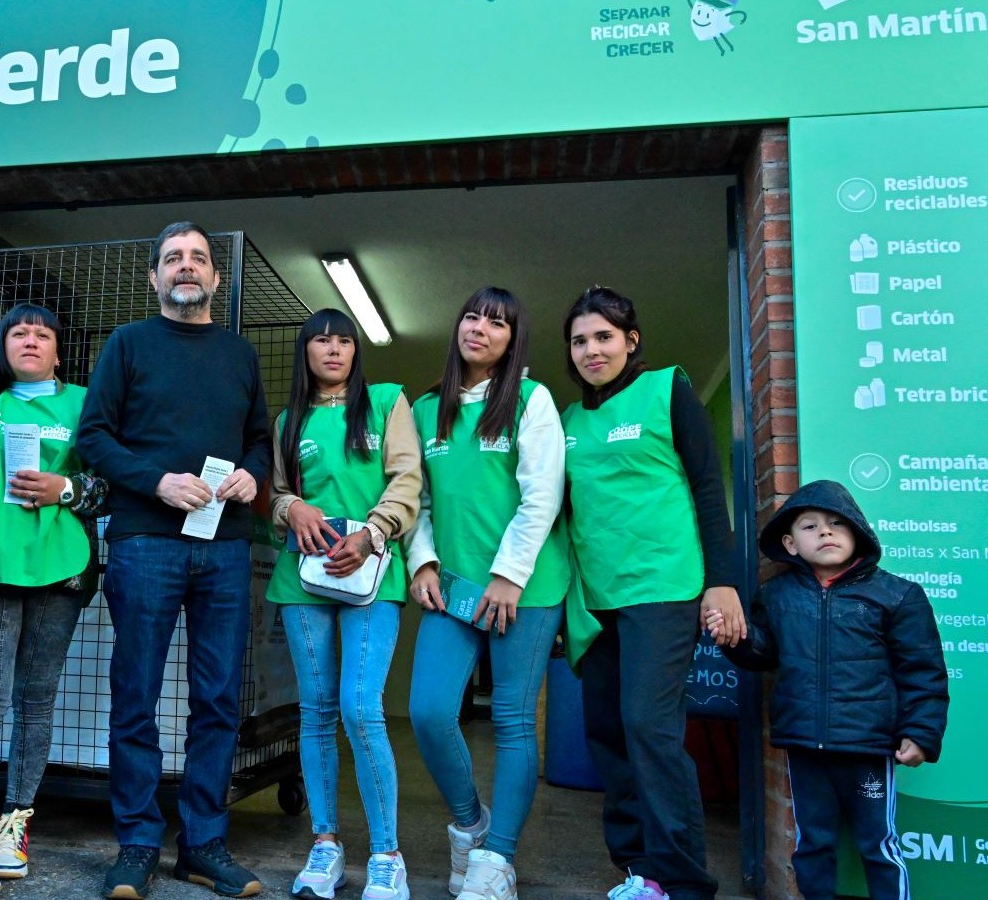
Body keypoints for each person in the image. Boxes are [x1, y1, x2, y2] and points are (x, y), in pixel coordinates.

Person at [75, 221, 271, 900]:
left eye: (198, 259)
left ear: (216, 278)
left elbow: (260, 441)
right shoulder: (127, 345)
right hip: (144, 540)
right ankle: (135, 846)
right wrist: (157, 481)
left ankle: (204, 845)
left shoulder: (241, 355)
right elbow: (92, 437)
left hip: (224, 545)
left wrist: (251, 473)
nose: (186, 268)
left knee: (218, 701)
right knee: (136, 696)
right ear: (155, 278)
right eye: (172, 259)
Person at [559, 286, 744, 900]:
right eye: (580, 340)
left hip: (664, 588)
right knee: (607, 731)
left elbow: (709, 493)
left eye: (604, 337)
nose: (592, 350)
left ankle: (684, 879)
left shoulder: (668, 390)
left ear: (631, 341)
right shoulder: (567, 422)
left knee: (648, 726)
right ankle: (641, 871)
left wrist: (723, 582)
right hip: (594, 596)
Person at [405, 287, 570, 900]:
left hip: (526, 586)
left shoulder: (531, 399)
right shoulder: (426, 409)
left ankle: (497, 860)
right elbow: (415, 502)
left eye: (496, 324)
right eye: (471, 317)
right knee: (428, 710)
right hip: (452, 587)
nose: (480, 329)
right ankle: (473, 825)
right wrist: (420, 563)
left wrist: (508, 575)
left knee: (511, 720)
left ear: (513, 338)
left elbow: (542, 495)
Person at [709, 480, 948, 900]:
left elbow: (923, 671)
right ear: (791, 543)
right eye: (811, 526)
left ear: (858, 532)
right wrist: (734, 638)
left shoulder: (898, 595)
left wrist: (921, 731)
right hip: (805, 744)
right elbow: (762, 653)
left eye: (837, 523)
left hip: (868, 746)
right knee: (812, 844)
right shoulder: (777, 594)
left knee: (879, 845)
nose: (825, 532)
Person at [0, 304, 109, 899]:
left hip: (60, 569)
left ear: (59, 351)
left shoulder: (85, 403)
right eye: (19, 332)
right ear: (3, 348)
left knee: (37, 699)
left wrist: (65, 488)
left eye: (44, 333)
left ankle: (15, 825)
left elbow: (112, 480)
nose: (32, 340)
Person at [265, 309, 422, 900]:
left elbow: (407, 478)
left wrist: (373, 533)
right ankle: (325, 845)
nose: (332, 350)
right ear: (305, 352)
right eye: (320, 341)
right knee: (317, 710)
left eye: (343, 341)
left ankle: (388, 855)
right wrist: (292, 510)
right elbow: (276, 493)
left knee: (361, 708)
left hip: (373, 573)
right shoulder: (289, 419)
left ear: (356, 352)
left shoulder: (386, 402)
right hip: (302, 579)